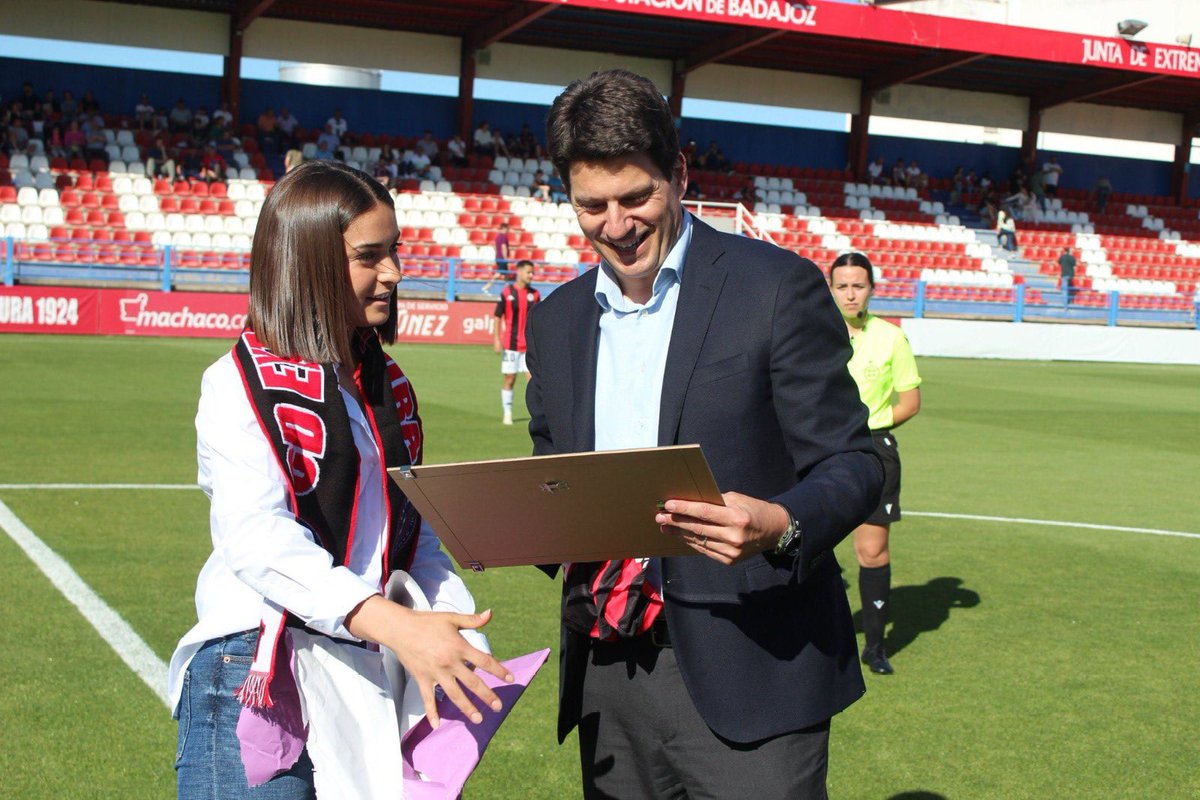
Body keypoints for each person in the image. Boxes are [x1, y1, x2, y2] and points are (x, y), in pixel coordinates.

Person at [527, 69, 883, 799]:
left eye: (637, 197)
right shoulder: (555, 319)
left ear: (680, 173)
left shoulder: (775, 287)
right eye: (592, 205)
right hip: (609, 673)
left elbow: (855, 461)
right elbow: (550, 463)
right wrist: (513, 518)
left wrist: (783, 523)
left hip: (757, 671)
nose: (616, 225)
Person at [168, 160, 513, 798]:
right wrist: (394, 623)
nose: (394, 273)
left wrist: (450, 625)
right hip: (256, 669)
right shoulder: (237, 382)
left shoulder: (388, 386)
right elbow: (256, 538)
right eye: (369, 256)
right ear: (308, 261)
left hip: (361, 667)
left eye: (396, 252)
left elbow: (411, 533)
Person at [827, 252, 922, 676]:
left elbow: (910, 402)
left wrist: (870, 424)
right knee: (802, 543)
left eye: (858, 285)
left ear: (872, 288)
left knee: (871, 551)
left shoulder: (891, 338)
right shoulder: (812, 333)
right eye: (842, 285)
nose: (850, 293)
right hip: (818, 448)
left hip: (873, 450)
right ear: (830, 289)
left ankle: (876, 645)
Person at [492, 260, 540, 426]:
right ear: (519, 272)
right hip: (511, 346)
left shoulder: (535, 295)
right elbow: (497, 316)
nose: (531, 275)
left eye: (532, 272)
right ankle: (507, 413)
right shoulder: (507, 293)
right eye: (529, 272)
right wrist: (497, 339)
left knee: (533, 381)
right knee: (509, 379)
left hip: (529, 347)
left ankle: (537, 414)